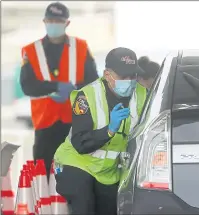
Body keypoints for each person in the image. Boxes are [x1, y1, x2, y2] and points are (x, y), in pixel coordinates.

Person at [53, 47, 148, 215]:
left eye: (133, 76)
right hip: (77, 163)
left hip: (109, 171)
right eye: (123, 77)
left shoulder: (142, 95)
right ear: (107, 75)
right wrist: (109, 130)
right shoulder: (87, 96)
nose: (130, 81)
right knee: (85, 206)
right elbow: (80, 143)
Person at [20, 2, 99, 181]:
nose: (54, 24)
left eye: (58, 21)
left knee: (75, 173)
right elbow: (28, 85)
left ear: (67, 23)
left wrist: (74, 89)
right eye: (51, 20)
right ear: (44, 21)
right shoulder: (31, 51)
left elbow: (93, 80)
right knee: (43, 175)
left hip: (75, 121)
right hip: (45, 123)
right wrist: (55, 87)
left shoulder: (81, 47)